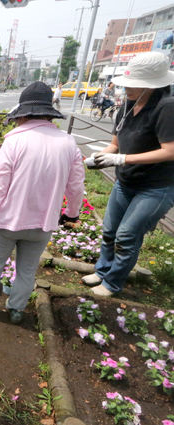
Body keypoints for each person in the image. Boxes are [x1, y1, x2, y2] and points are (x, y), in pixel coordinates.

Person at [0, 82, 85, 324]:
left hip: (8, 221)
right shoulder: (68, 142)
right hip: (43, 223)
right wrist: (72, 214)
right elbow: (76, 187)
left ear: (23, 115)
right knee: (27, 270)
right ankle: (17, 309)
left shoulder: (14, 142)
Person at [82, 52, 174, 297]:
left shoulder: (167, 107)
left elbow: (169, 151)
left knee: (126, 235)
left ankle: (113, 282)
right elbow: (115, 144)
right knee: (110, 230)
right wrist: (101, 157)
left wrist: (122, 159)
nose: (125, 88)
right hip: (125, 181)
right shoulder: (126, 106)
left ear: (151, 84)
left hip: (155, 186)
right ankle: (102, 271)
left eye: (132, 84)